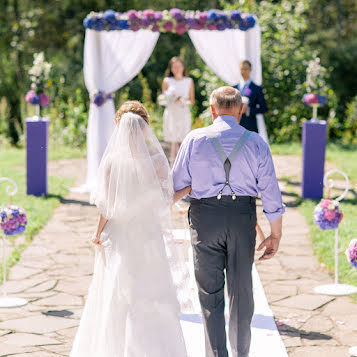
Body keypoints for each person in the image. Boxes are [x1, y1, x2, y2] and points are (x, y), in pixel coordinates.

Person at [69, 101, 192, 357]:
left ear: (119, 127)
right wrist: (189, 189)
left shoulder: (112, 161)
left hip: (119, 233)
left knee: (116, 290)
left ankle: (113, 347)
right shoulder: (157, 161)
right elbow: (166, 200)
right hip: (147, 233)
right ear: (146, 128)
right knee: (149, 290)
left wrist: (97, 233)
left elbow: (105, 205)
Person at [172, 87, 285, 357]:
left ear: (212, 110)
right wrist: (274, 235)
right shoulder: (257, 142)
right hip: (241, 218)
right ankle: (241, 354)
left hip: (205, 218)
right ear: (241, 110)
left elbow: (176, 184)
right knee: (242, 291)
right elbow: (270, 193)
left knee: (209, 295)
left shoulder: (194, 139)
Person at [161, 57, 195, 165]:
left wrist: (183, 101)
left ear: (183, 67)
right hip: (171, 113)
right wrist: (171, 100)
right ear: (171, 69)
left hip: (183, 113)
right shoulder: (167, 81)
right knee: (172, 140)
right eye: (174, 67)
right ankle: (172, 165)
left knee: (182, 140)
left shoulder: (189, 81)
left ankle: (183, 165)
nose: (177, 69)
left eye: (179, 66)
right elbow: (163, 97)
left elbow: (192, 100)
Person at [233, 60, 267, 133]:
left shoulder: (256, 88)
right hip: (235, 126)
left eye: (246, 69)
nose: (243, 71)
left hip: (250, 126)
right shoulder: (233, 88)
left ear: (250, 70)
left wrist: (248, 110)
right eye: (242, 69)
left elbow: (264, 108)